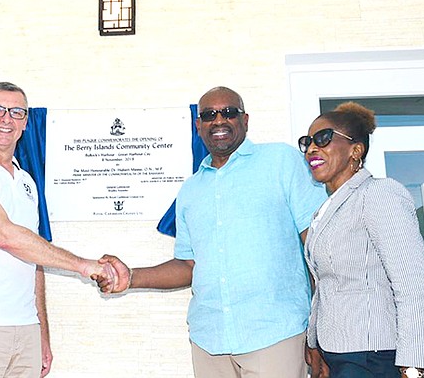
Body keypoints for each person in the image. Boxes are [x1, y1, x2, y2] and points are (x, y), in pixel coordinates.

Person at [97, 86, 328, 378]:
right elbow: (188, 265)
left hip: (276, 334)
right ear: (198, 126)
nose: (219, 120)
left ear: (245, 120)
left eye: (229, 112)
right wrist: (131, 277)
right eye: (208, 115)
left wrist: (323, 330)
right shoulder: (190, 191)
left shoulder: (281, 162)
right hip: (209, 341)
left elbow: (318, 246)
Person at [0, 81, 115, 378]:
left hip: (25, 331)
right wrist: (84, 266)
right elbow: (4, 236)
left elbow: (34, 260)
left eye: (16, 112)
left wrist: (41, 332)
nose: (6, 119)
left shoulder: (26, 183)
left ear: (25, 123)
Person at [298, 102, 424, 378]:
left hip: (374, 357)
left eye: (323, 139)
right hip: (338, 355)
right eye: (307, 142)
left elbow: (413, 284)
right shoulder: (326, 210)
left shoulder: (379, 194)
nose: (312, 149)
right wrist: (314, 342)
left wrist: (413, 365)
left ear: (356, 150)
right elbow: (326, 286)